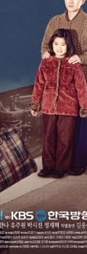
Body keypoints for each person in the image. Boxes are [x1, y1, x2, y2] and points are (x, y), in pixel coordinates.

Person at [41, 0, 87, 175]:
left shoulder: (86, 22)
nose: (71, 1)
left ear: (83, 0)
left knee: (81, 123)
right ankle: (54, 164)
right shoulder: (55, 21)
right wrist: (45, 53)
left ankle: (78, 161)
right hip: (57, 82)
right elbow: (45, 45)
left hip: (82, 77)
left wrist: (82, 58)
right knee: (55, 128)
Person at [31, 28, 87, 178]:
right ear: (51, 44)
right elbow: (39, 84)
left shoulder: (73, 64)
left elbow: (81, 87)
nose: (59, 48)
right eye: (56, 44)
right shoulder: (45, 63)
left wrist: (84, 107)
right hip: (49, 107)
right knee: (48, 138)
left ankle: (61, 167)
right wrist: (35, 104)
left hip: (68, 108)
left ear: (68, 46)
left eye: (63, 44)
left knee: (65, 139)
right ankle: (48, 166)